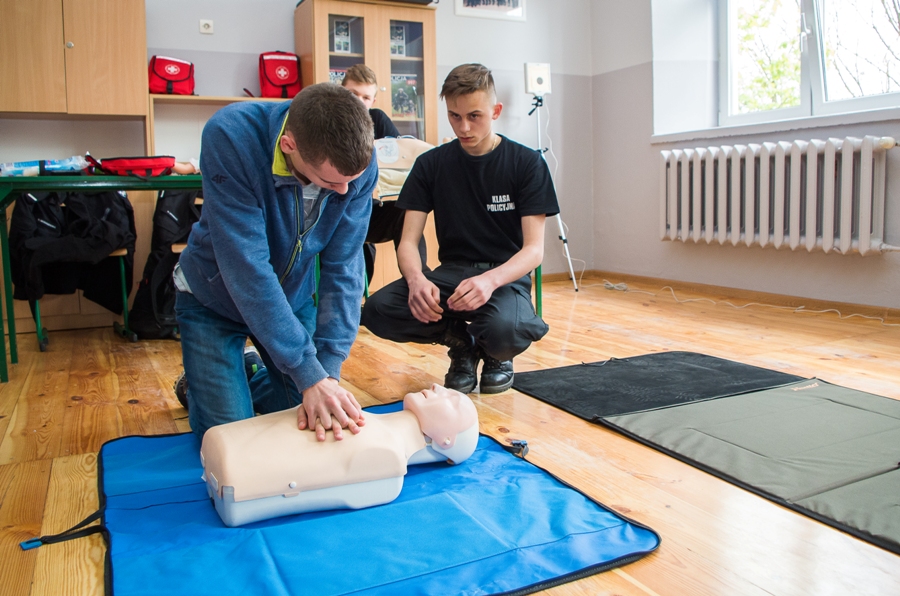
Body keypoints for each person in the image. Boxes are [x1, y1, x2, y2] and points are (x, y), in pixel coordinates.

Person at [173, 83, 378, 440]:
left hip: (290, 299)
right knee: (231, 438)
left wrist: (327, 371)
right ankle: (204, 388)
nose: (345, 192)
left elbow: (344, 267)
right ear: (289, 146)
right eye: (330, 182)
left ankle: (247, 374)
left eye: (351, 182)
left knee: (310, 420)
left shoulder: (357, 161)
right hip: (214, 298)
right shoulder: (231, 135)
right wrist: (307, 373)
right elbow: (247, 268)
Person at [361, 63, 558, 394]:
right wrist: (417, 280)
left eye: (474, 116)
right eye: (454, 116)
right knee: (378, 310)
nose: (463, 127)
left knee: (506, 329)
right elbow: (407, 241)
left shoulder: (526, 163)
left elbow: (534, 250)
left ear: (495, 111)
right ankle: (461, 343)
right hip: (450, 274)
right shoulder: (430, 164)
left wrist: (490, 281)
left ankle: (495, 353)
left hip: (503, 277)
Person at [341, 64, 428, 282]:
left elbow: (401, 155)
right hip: (336, 213)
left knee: (405, 214)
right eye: (353, 94)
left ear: (373, 101)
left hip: (370, 211)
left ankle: (420, 280)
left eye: (365, 97)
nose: (359, 102)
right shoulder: (327, 123)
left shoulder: (377, 119)